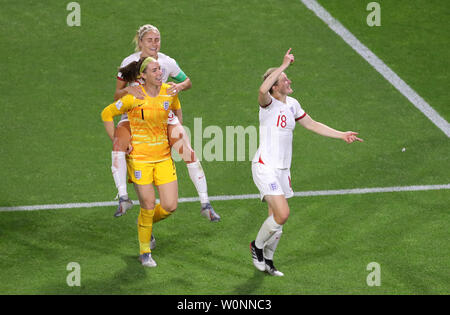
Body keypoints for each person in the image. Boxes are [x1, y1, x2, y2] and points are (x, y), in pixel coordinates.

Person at [250, 49, 363, 276]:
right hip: (265, 167)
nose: (288, 81)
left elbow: (312, 124)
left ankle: (269, 260)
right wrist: (282, 66)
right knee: (282, 214)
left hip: (283, 170)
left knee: (277, 220)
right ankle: (257, 247)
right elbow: (262, 89)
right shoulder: (268, 103)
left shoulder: (292, 104)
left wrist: (341, 134)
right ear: (275, 86)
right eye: (284, 80)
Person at [111, 24, 220, 222]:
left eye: (157, 39)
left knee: (187, 149)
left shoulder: (167, 62)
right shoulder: (130, 62)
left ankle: (205, 203)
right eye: (150, 40)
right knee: (119, 144)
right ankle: (122, 197)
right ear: (141, 42)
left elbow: (187, 82)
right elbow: (117, 94)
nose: (155, 43)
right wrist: (129, 91)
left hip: (162, 116)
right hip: (134, 115)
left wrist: (178, 86)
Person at [101, 57, 179, 267]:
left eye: (159, 70)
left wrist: (177, 134)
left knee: (170, 206)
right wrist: (117, 140)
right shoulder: (133, 96)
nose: (159, 73)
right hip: (139, 160)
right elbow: (107, 113)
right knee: (147, 204)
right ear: (143, 75)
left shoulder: (168, 92)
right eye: (154, 70)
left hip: (163, 157)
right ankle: (145, 251)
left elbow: (176, 112)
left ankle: (145, 225)